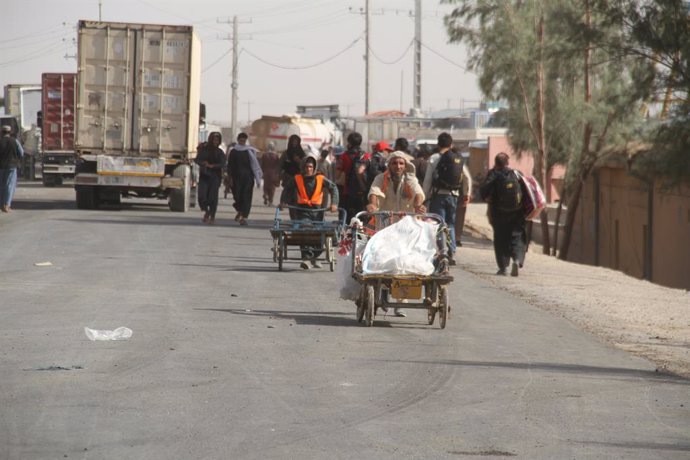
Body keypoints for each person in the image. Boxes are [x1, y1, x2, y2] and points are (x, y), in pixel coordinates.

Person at [366, 151, 426, 317]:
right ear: (389, 165)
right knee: (383, 261)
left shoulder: (410, 179)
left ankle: (400, 302)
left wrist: (418, 206)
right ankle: (383, 292)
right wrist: (372, 205)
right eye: (394, 163)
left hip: (405, 227)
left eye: (401, 163)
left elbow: (418, 194)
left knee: (403, 263)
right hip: (384, 225)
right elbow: (374, 194)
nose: (398, 166)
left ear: (405, 165)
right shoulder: (381, 178)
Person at [280, 156, 339, 269]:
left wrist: (334, 203)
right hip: (303, 211)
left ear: (314, 168)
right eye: (306, 167)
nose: (308, 169)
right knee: (305, 230)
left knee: (323, 234)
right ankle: (306, 258)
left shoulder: (321, 179)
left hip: (318, 212)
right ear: (303, 167)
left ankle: (313, 257)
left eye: (311, 167)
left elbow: (334, 188)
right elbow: (287, 189)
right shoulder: (297, 179)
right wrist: (283, 202)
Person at [479, 152, 527, 277]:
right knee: (517, 237)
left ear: (496, 163)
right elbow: (526, 192)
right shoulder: (516, 174)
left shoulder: (493, 174)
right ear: (507, 162)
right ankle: (517, 260)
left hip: (499, 213)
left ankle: (504, 267)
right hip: (517, 213)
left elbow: (484, 192)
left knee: (501, 240)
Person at [422, 132, 463, 265]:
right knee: (450, 224)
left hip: (438, 195)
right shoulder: (457, 157)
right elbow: (465, 177)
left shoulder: (434, 157)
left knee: (439, 224)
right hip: (453, 195)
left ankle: (442, 251)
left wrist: (424, 196)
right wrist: (466, 195)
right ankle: (453, 251)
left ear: (438, 144)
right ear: (451, 144)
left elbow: (428, 179)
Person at [227, 133, 263, 226]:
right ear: (238, 140)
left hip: (248, 178)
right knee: (237, 197)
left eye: (244, 140)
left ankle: (243, 217)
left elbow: (254, 165)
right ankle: (240, 211)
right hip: (236, 178)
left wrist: (258, 178)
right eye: (241, 140)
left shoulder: (249, 151)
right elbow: (230, 166)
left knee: (246, 197)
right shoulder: (234, 151)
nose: (242, 142)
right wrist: (230, 178)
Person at [335, 132, 372, 222]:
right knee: (362, 219)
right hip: (363, 192)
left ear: (349, 143)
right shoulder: (366, 156)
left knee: (346, 219)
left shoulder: (343, 156)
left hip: (347, 193)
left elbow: (337, 175)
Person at [195, 131, 226, 224]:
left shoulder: (220, 152)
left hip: (215, 177)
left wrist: (213, 166)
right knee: (202, 196)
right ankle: (206, 211)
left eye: (217, 140)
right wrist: (203, 163)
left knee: (213, 198)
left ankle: (212, 216)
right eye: (214, 139)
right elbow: (197, 159)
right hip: (204, 175)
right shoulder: (204, 150)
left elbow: (223, 163)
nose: (215, 142)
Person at [0, 125, 24, 213]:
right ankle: (7, 205)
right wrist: (19, 162)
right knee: (9, 186)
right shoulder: (15, 141)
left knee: (1, 186)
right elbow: (21, 153)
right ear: (10, 132)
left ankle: (1, 204)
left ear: (1, 132)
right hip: (11, 167)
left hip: (1, 167)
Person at [454, 158, 473, 247]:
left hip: (442, 193)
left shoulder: (441, 159)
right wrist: (467, 194)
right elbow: (467, 178)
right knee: (459, 217)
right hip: (460, 194)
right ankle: (457, 238)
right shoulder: (460, 163)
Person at [260, 142, 281, 206]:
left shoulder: (264, 155)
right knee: (272, 188)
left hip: (266, 172)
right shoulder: (276, 155)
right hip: (273, 173)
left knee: (265, 186)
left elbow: (262, 165)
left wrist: (262, 172)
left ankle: (265, 194)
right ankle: (270, 202)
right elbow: (278, 165)